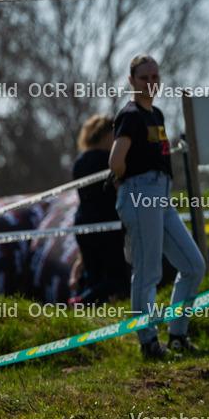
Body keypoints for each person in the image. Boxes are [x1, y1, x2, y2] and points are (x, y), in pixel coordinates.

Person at [109, 55, 206, 359]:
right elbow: (115, 163)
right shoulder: (131, 115)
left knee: (193, 265)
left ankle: (177, 334)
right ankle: (149, 342)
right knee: (148, 271)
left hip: (162, 196)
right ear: (131, 81)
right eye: (144, 78)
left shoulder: (157, 115)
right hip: (141, 193)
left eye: (155, 77)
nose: (151, 83)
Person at [69, 114, 129, 304]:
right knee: (117, 277)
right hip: (107, 223)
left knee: (94, 275)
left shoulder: (79, 162)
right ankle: (81, 301)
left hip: (82, 224)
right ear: (104, 135)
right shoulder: (110, 160)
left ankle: (88, 314)